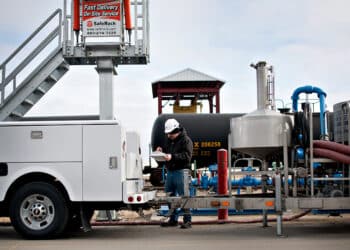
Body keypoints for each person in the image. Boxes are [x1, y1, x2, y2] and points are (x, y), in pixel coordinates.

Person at [156, 118, 193, 229]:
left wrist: (172, 157)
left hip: (181, 172)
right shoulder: (169, 141)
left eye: (170, 133)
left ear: (177, 130)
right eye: (167, 133)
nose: (168, 135)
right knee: (170, 196)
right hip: (171, 172)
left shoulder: (186, 141)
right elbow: (167, 153)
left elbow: (187, 157)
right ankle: (173, 219)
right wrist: (161, 151)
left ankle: (187, 220)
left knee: (184, 197)